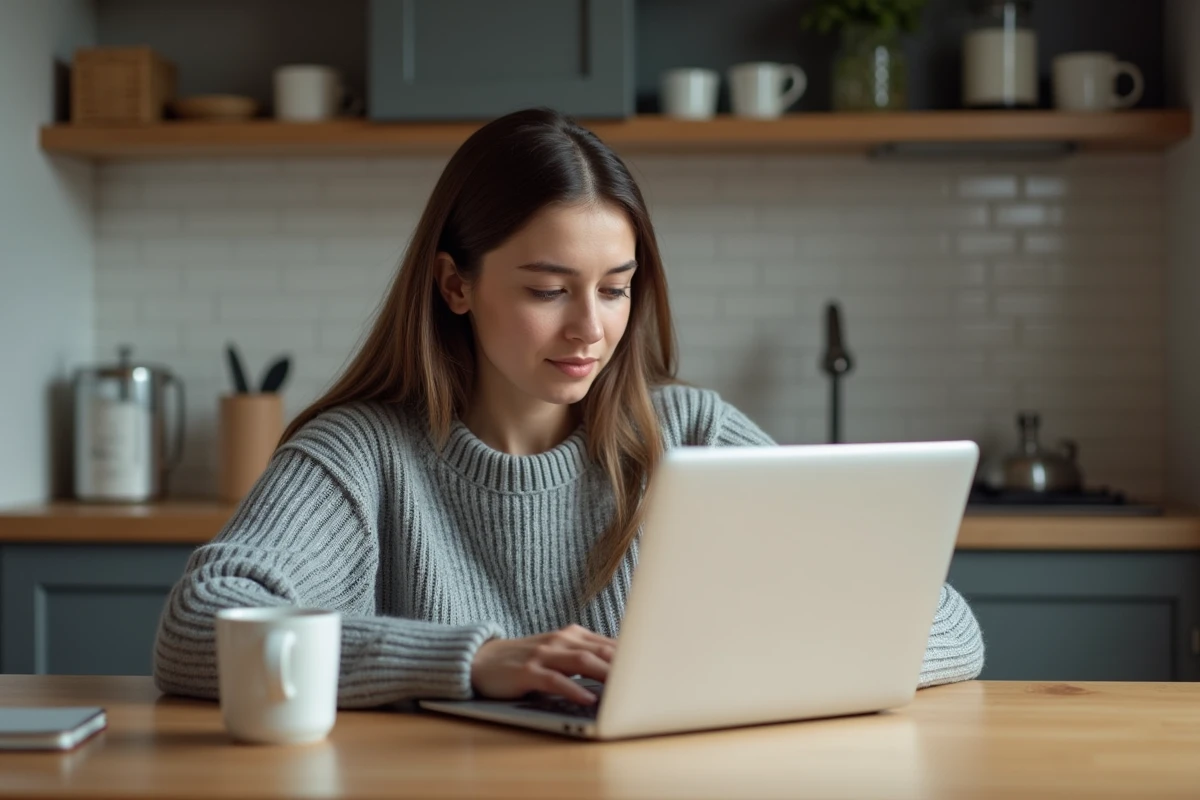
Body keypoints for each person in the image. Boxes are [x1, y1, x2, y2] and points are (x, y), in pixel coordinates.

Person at [153, 107, 984, 709]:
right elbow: (198, 627)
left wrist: (733, 666)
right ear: (455, 285)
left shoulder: (691, 435)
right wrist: (473, 659)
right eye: (549, 290)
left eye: (616, 290)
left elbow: (946, 624)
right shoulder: (364, 454)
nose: (592, 328)